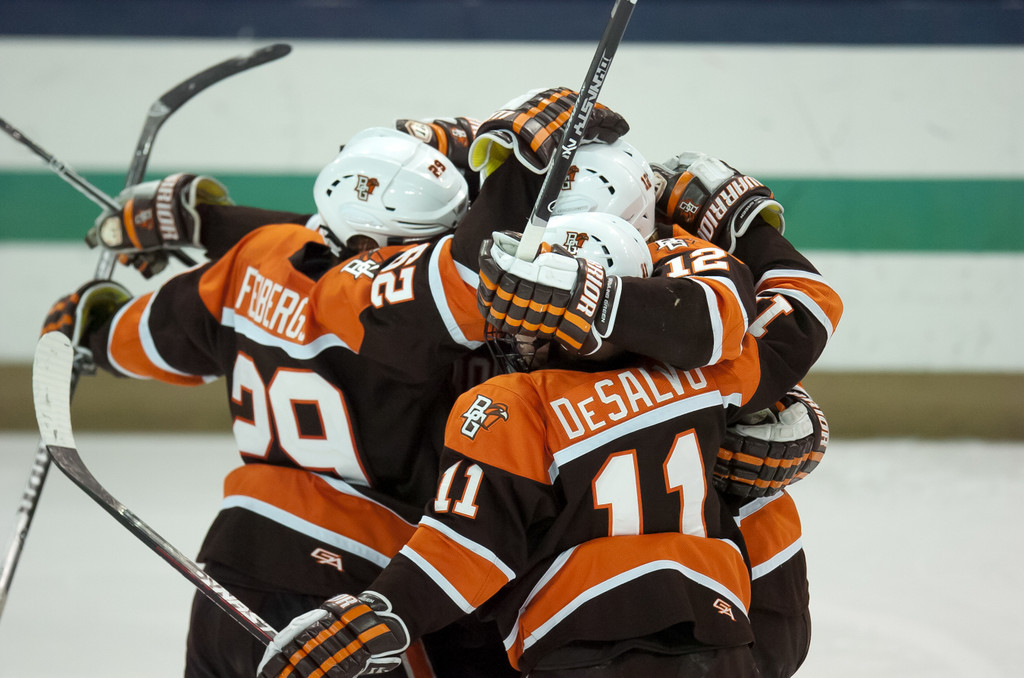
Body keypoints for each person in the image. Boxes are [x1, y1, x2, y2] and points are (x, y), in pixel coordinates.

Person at [43, 89, 634, 677]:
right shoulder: (387, 303)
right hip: (353, 592)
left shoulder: (255, 256)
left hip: (231, 570)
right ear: (369, 246)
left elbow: (137, 340)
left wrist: (86, 321)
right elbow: (470, 269)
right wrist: (518, 161)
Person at [255, 210, 809, 678]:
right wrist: (747, 217)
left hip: (581, 649)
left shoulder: (514, 403)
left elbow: (467, 547)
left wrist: (379, 616)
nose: (515, 320)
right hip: (719, 639)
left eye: (531, 301)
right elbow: (801, 304)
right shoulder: (713, 373)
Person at [476, 146, 842, 678]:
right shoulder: (503, 256)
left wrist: (774, 400)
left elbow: (745, 328)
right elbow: (790, 323)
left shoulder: (679, 257)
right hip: (560, 557)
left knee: (767, 651)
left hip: (691, 550)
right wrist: (749, 231)